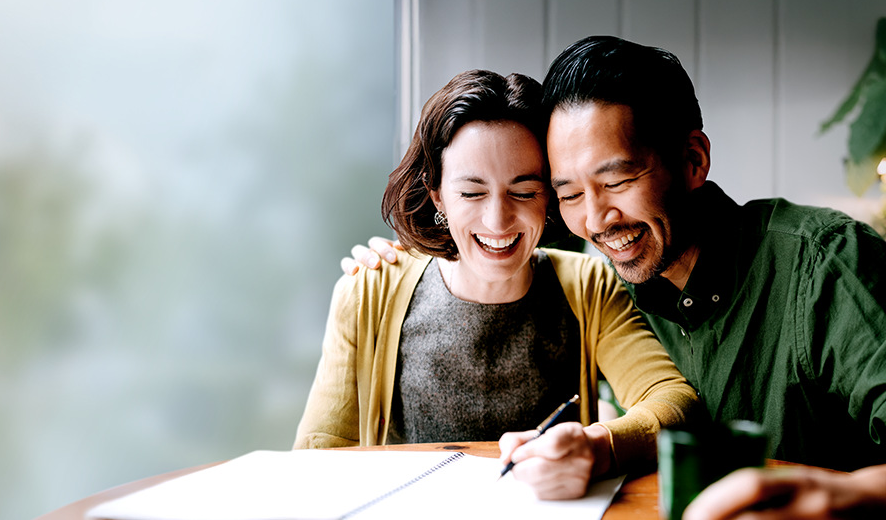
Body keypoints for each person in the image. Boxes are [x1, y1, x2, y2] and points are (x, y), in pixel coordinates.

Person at [347, 37, 886, 518]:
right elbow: (488, 233)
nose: (595, 218)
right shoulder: (593, 277)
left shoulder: (817, 259)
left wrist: (870, 492)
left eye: (618, 180)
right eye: (567, 193)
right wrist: (389, 264)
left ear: (691, 160)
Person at [294, 69, 700, 500]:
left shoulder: (589, 285)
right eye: (472, 193)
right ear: (437, 197)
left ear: (549, 197)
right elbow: (317, 458)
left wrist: (596, 445)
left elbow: (673, 401)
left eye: (524, 191)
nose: (497, 221)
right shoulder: (370, 289)